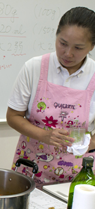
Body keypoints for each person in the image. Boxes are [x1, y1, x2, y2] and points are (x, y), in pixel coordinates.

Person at [7, 6, 95, 188]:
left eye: (78, 48)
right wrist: (45, 136)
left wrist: (89, 143)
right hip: (31, 169)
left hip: (79, 176)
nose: (68, 53)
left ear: (92, 47)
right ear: (56, 35)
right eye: (63, 43)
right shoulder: (34, 68)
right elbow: (13, 116)